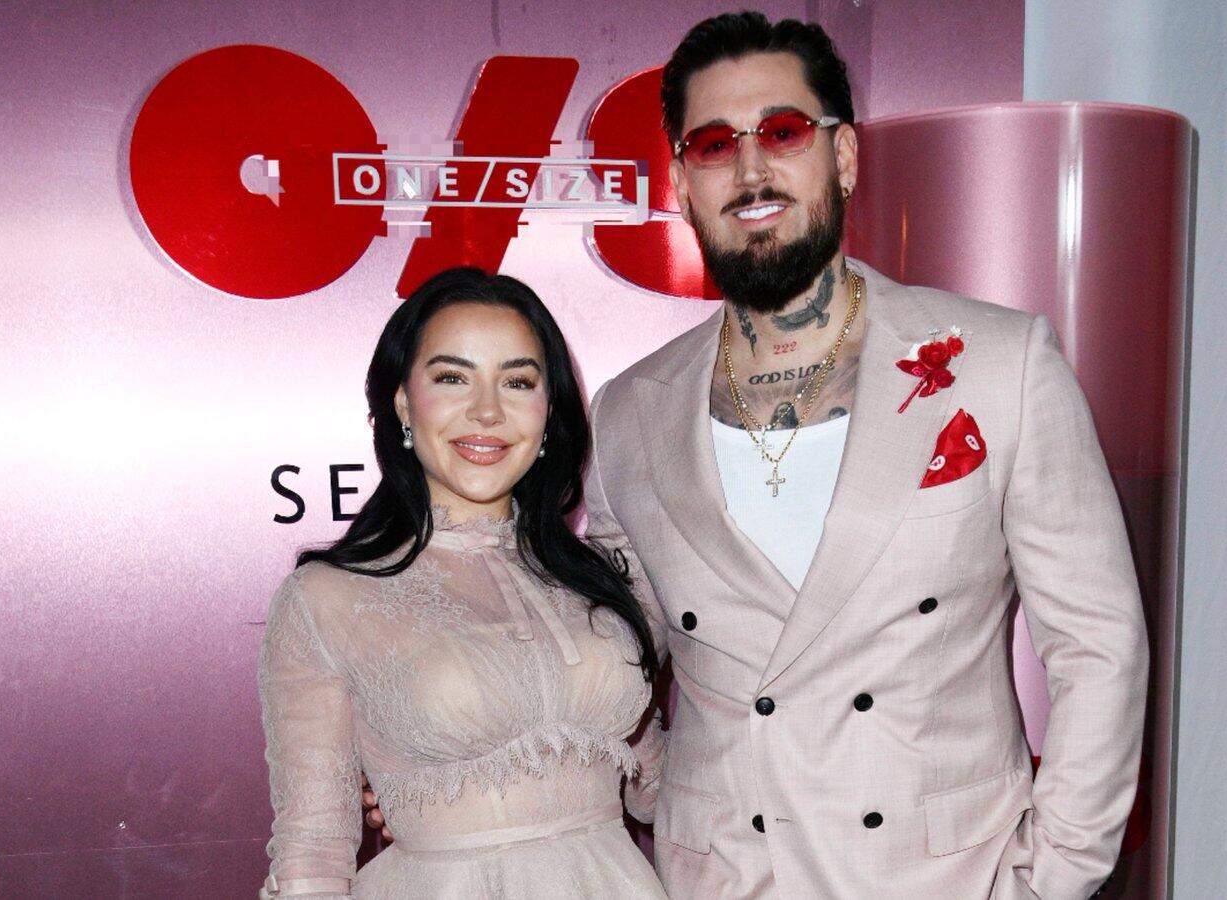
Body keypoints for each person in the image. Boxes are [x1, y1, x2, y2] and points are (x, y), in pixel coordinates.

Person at [370, 12, 1148, 898]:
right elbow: (608, 667)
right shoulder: (631, 411)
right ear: (681, 182)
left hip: (947, 877)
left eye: (782, 132)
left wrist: (1047, 882)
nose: (749, 170)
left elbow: (1099, 646)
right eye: (713, 144)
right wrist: (446, 774)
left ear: (843, 156)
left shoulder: (1001, 365)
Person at [257, 268, 669, 899]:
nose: (487, 411)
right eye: (452, 378)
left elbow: (662, 791)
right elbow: (312, 851)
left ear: (548, 411)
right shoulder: (327, 598)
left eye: (518, 382)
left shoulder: (601, 583)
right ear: (403, 402)